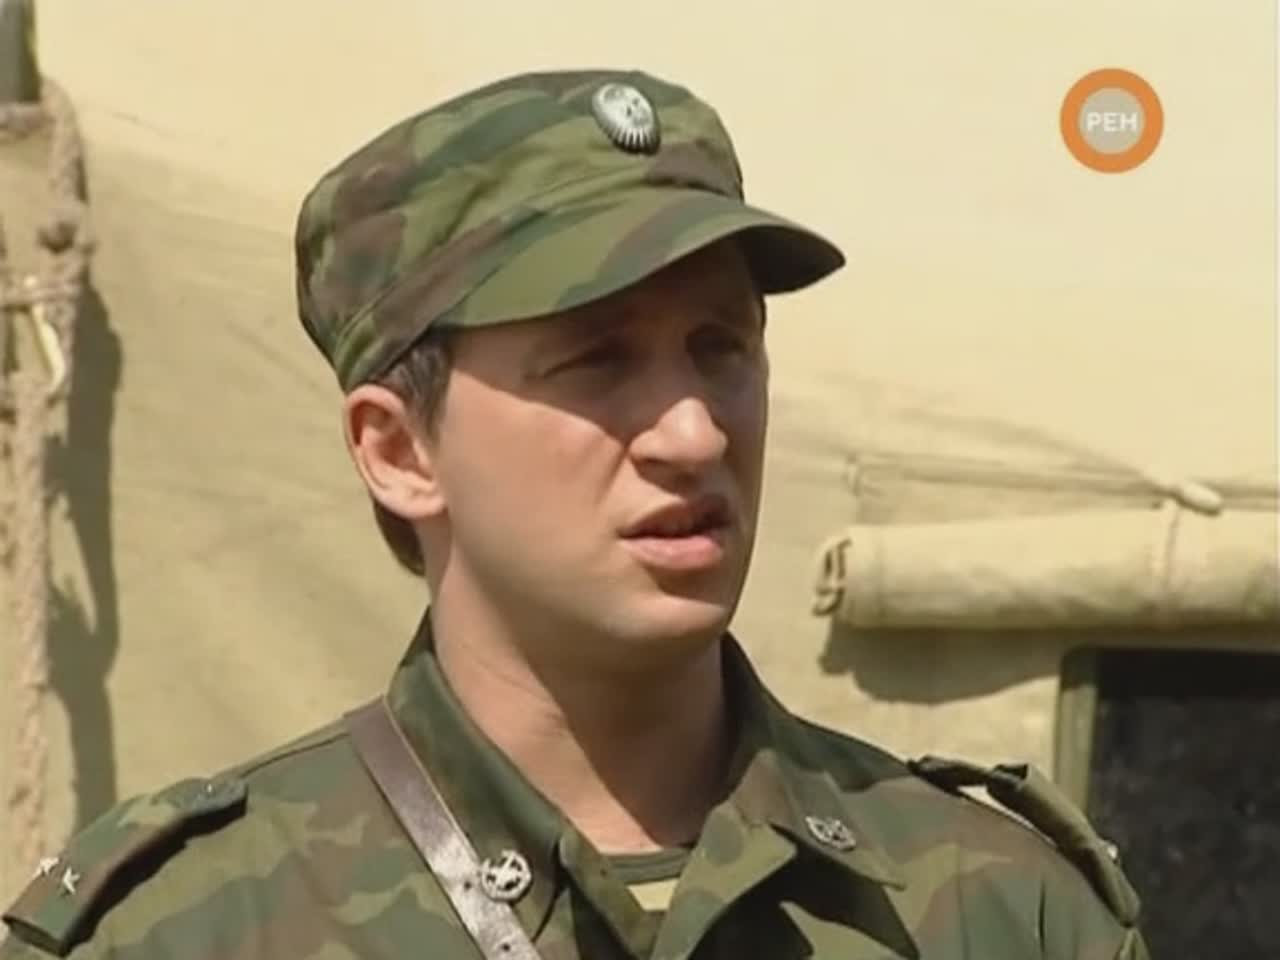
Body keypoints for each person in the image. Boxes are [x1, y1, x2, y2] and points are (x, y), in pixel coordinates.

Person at [1, 69, 1150, 959]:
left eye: (720, 347)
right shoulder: (190, 929)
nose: (693, 433)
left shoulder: (997, 910)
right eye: (596, 360)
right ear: (399, 450)